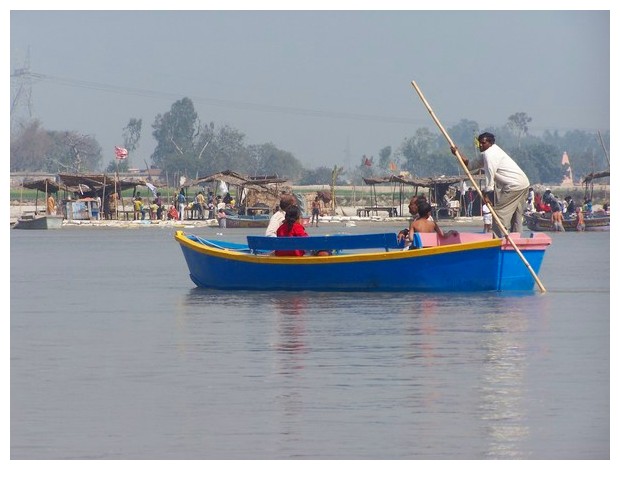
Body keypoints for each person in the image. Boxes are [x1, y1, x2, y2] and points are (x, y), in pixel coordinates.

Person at [452, 132, 529, 237]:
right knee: (516, 216)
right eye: (479, 143)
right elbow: (469, 166)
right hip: (523, 183)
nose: (480, 145)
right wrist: (457, 154)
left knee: (499, 214)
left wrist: (487, 193)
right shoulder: (486, 154)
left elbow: (489, 173)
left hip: (514, 186)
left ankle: (497, 239)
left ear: (490, 143)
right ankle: (517, 237)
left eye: (483, 143)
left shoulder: (490, 154)